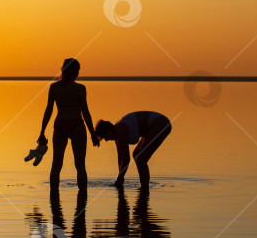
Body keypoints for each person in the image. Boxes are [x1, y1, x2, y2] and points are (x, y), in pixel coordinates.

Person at [38, 59, 99, 192]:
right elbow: (85, 112)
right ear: (75, 72)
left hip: (60, 125)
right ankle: (82, 196)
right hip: (76, 125)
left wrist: (42, 131)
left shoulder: (54, 87)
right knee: (80, 166)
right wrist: (93, 134)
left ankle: (54, 196)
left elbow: (48, 111)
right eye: (78, 70)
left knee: (56, 165)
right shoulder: (80, 88)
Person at [95, 111, 171, 190]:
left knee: (141, 158)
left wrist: (120, 178)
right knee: (136, 154)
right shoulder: (117, 135)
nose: (106, 140)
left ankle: (145, 188)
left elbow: (126, 158)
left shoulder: (120, 130)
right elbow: (121, 157)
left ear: (108, 129)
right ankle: (144, 188)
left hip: (160, 123)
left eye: (105, 136)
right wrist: (120, 176)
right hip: (157, 125)